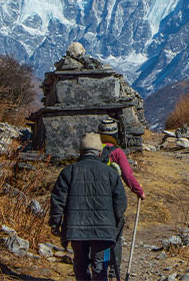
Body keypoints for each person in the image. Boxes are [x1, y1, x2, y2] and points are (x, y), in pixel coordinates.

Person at [50, 132, 127, 281]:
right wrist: (116, 222)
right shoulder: (111, 173)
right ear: (100, 153)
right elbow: (121, 202)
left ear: (81, 151)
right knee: (100, 266)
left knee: (80, 263)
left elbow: (57, 200)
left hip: (76, 228)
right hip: (103, 229)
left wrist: (55, 223)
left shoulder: (69, 172)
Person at [98, 117, 145, 281]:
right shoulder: (117, 152)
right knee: (114, 236)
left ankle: (99, 268)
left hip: (93, 199)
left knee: (97, 235)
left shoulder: (93, 150)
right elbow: (127, 175)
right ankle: (113, 270)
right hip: (111, 200)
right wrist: (139, 191)